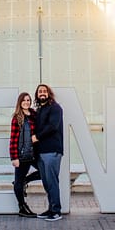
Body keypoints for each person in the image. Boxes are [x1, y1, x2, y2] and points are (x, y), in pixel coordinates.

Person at [32, 84, 64, 221]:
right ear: (37, 95)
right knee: (46, 183)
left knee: (52, 182)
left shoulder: (55, 108)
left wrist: (37, 137)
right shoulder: (40, 110)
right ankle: (51, 209)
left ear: (49, 93)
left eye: (45, 91)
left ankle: (56, 212)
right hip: (41, 152)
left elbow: (52, 126)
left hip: (52, 151)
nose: (42, 93)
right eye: (40, 91)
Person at [9, 92, 41, 217]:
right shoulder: (17, 117)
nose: (26, 102)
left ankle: (25, 181)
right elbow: (13, 139)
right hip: (22, 155)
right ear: (20, 102)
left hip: (34, 153)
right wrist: (14, 157)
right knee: (18, 181)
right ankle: (22, 207)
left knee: (44, 172)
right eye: (24, 100)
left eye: (28, 100)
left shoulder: (34, 115)